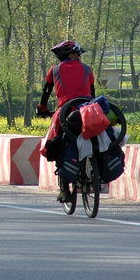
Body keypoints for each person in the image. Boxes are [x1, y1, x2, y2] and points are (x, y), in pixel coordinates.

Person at [35, 40, 96, 202]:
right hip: (88, 110)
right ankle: (93, 172)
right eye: (78, 54)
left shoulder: (54, 70)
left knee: (56, 143)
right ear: (72, 54)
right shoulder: (87, 69)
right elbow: (92, 93)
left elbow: (46, 93)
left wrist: (42, 109)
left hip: (66, 112)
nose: (80, 58)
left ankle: (64, 189)